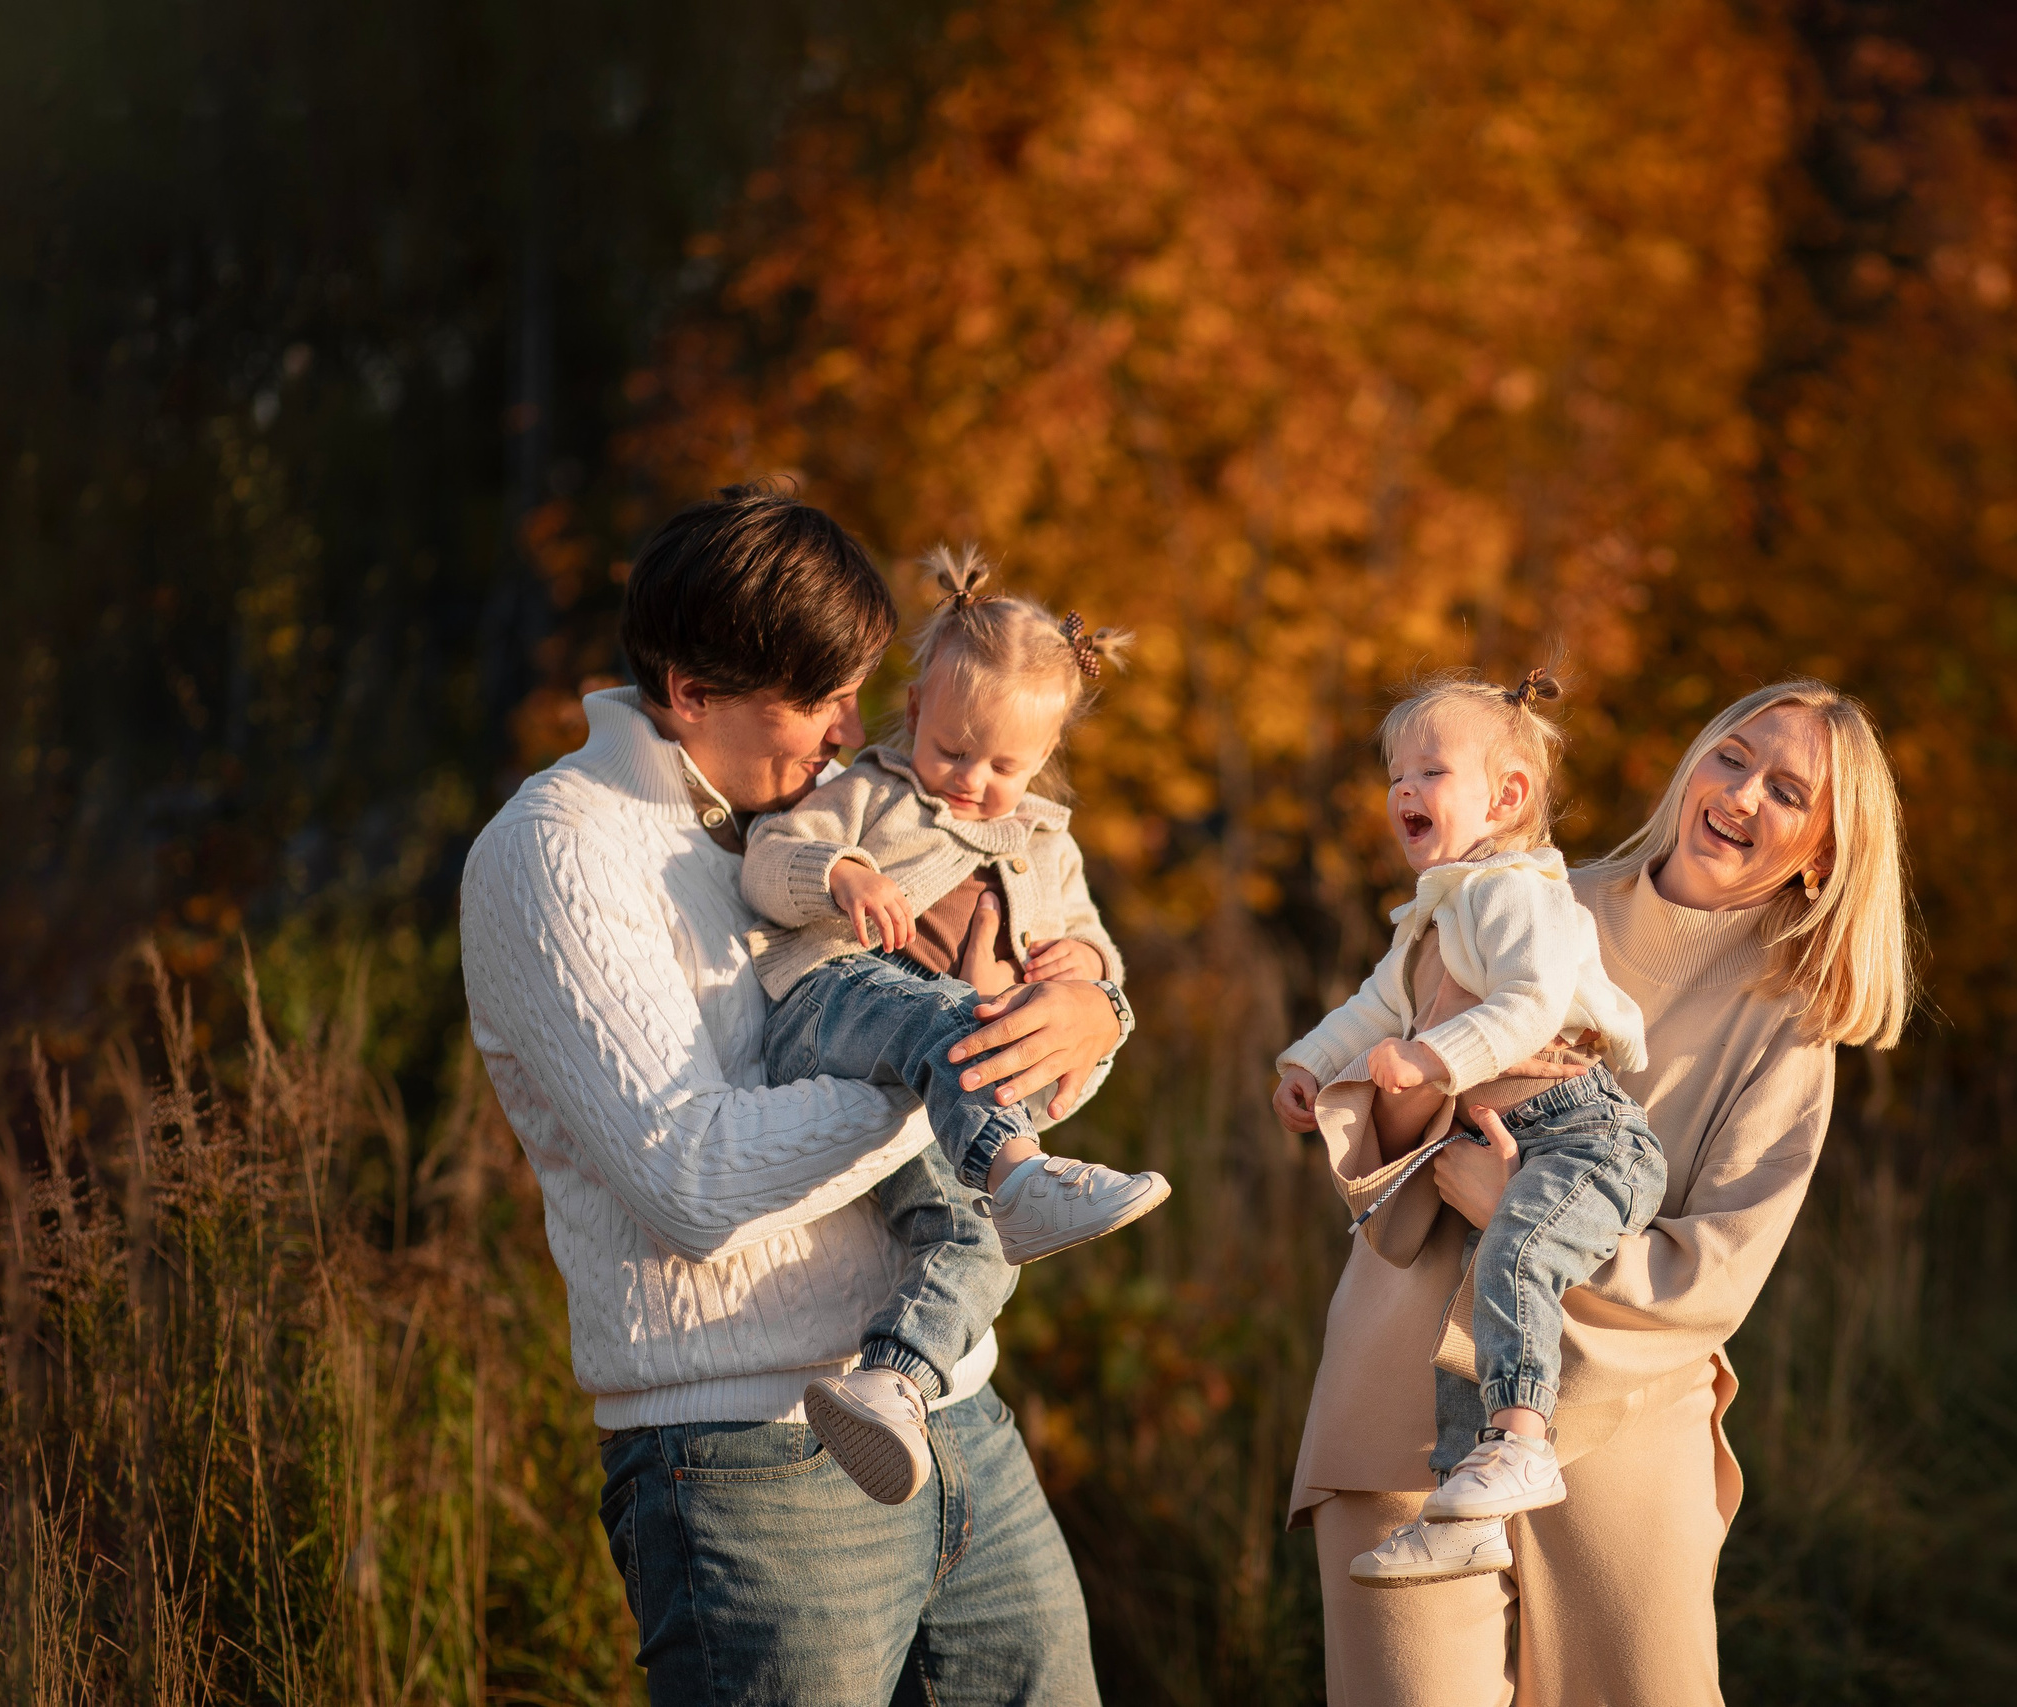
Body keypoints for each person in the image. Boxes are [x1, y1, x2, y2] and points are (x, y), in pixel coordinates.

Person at [459, 486, 1116, 1706]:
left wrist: (1088, 1014)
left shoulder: (837, 817)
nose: (846, 729)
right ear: (692, 691)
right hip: (745, 1456)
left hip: (953, 1405)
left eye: (856, 691)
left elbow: (1008, 1057)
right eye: (815, 700)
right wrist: (947, 1060)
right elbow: (691, 1181)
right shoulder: (559, 850)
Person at [1280, 679, 1914, 1705]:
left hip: (1625, 1422)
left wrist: (1521, 1213)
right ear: (1693, 762)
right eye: (1732, 756)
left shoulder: (1792, 1020)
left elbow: (1718, 1270)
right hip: (1404, 1390)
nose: (1743, 795)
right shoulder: (1528, 894)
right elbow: (1383, 1148)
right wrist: (1385, 1099)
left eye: (1788, 792)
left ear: (1826, 850)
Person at [750, 545, 1170, 1509]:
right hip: (836, 1007)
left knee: (976, 1241)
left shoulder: (1048, 841)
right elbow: (770, 858)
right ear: (915, 717)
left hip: (942, 1099)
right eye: (952, 750)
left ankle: (891, 1383)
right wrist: (841, 874)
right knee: (954, 1016)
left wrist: (1089, 968)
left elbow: (1094, 939)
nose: (974, 781)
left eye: (1006, 765)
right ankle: (1022, 1173)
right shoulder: (872, 789)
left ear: (1046, 758)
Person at [1270, 668, 1656, 1585]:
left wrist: (1437, 1057)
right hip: (1518, 1136)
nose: (1404, 789)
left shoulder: (1518, 894)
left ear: (1507, 795)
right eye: (1396, 773)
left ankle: (1521, 1440)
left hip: (1588, 1136)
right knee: (1470, 1315)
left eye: (1430, 772)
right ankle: (1462, 1505)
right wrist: (1310, 1062)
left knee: (1516, 1255)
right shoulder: (1435, 915)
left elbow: (1533, 1005)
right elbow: (1374, 1006)